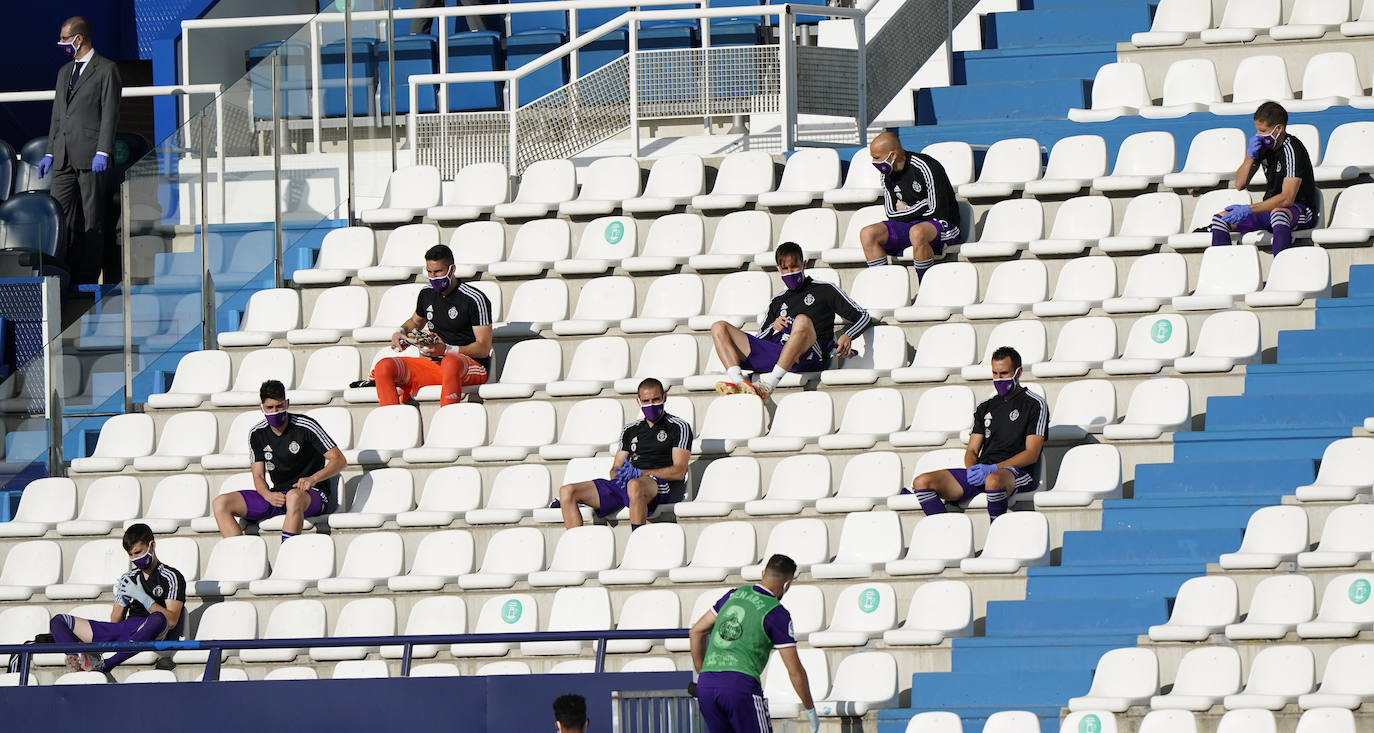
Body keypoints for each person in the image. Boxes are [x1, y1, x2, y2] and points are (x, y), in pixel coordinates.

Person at [712, 241, 872, 400]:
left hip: (811, 356)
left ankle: (767, 387)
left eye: (794, 266)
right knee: (719, 327)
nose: (790, 272)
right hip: (779, 353)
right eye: (785, 268)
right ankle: (740, 385)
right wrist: (774, 328)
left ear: (804, 264)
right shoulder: (777, 300)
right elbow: (761, 338)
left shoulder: (825, 290)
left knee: (801, 320)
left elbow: (863, 316)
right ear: (778, 269)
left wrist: (848, 335)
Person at [908, 346, 1048, 520]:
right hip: (985, 471)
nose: (998, 379)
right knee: (922, 482)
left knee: (993, 480)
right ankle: (946, 534)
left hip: (1017, 473)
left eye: (1004, 373)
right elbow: (972, 450)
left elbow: (1032, 454)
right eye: (995, 373)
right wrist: (973, 469)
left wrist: (994, 468)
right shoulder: (985, 407)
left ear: (1018, 372)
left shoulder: (1035, 404)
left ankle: (996, 534)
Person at [689, 554, 819, 733]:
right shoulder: (776, 613)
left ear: (763, 572)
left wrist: (702, 671)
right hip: (739, 686)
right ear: (787, 584)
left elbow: (696, 631)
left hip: (707, 686)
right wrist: (810, 709)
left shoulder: (733, 595)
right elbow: (794, 671)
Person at [39, 16, 122, 285]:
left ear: (79, 38)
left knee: (92, 217)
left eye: (64, 38)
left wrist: (104, 150)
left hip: (90, 155)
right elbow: (57, 115)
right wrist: (50, 151)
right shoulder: (64, 72)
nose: (61, 43)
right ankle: (62, 271)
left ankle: (87, 277)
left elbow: (110, 113)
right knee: (60, 216)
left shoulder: (106, 69)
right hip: (63, 155)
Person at [211, 380, 346, 541]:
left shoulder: (306, 426)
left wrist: (313, 478)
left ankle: (286, 559)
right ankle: (242, 559)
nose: (275, 412)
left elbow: (339, 460)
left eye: (279, 406)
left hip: (311, 494)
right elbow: (258, 476)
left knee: (293, 497)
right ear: (261, 407)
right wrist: (267, 495)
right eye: (270, 408)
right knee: (221, 503)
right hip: (278, 495)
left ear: (287, 403)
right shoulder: (257, 433)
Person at [557, 378, 692, 531]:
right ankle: (575, 549)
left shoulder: (678, 427)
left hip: (656, 484)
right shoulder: (630, 430)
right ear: (638, 402)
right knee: (567, 492)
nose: (651, 405)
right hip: (628, 483)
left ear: (664, 398)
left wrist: (640, 473)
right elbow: (615, 469)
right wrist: (621, 475)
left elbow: (679, 471)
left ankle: (637, 543)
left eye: (656, 399)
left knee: (634, 485)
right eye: (646, 401)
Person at [49, 523, 185, 673]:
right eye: (131, 555)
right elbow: (115, 621)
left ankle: (106, 665)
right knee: (59, 620)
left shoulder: (171, 576)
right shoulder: (128, 577)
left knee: (157, 618)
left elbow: (171, 621)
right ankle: (75, 661)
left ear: (152, 546)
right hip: (124, 630)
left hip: (151, 630)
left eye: (138, 552)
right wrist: (122, 601)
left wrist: (145, 599)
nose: (135, 558)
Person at [373, 243, 492, 405]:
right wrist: (401, 332)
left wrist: (447, 349)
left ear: (452, 269)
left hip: (469, 365)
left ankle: (447, 420)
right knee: (384, 366)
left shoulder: (474, 299)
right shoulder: (427, 293)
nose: (434, 277)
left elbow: (484, 348)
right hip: (435, 364)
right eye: (429, 272)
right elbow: (415, 321)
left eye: (438, 272)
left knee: (451, 361)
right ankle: (391, 424)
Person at [1210, 101, 1318, 256]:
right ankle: (1225, 270)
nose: (1259, 135)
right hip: (1270, 209)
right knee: (1220, 220)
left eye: (1263, 131)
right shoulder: (1263, 148)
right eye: (1257, 131)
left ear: (1278, 129)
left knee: (1279, 213)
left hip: (1299, 210)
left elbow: (1287, 199)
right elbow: (1240, 184)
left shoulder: (1293, 149)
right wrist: (1250, 156)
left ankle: (1281, 271)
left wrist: (1248, 209)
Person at [860, 131, 962, 282]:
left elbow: (937, 210)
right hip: (910, 226)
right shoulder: (886, 175)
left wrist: (906, 209)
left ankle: (925, 289)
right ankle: (884, 289)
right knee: (868, 234)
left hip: (944, 224)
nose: (874, 162)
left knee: (917, 232)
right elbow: (891, 213)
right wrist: (922, 205)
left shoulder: (926, 166)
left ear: (892, 155)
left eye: (876, 158)